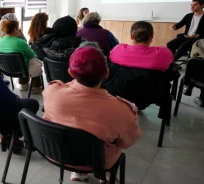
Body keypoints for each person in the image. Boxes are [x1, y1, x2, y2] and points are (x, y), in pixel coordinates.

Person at [43, 47, 142, 183]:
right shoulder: (122, 111)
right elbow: (127, 142)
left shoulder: (51, 92)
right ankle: (107, 176)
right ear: (106, 73)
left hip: (55, 153)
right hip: (98, 163)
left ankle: (78, 173)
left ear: (71, 73)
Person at [0, 20, 43, 92]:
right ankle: (36, 87)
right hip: (21, 69)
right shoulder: (21, 42)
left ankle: (23, 85)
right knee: (35, 61)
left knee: (20, 61)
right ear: (15, 29)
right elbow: (32, 55)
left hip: (5, 69)